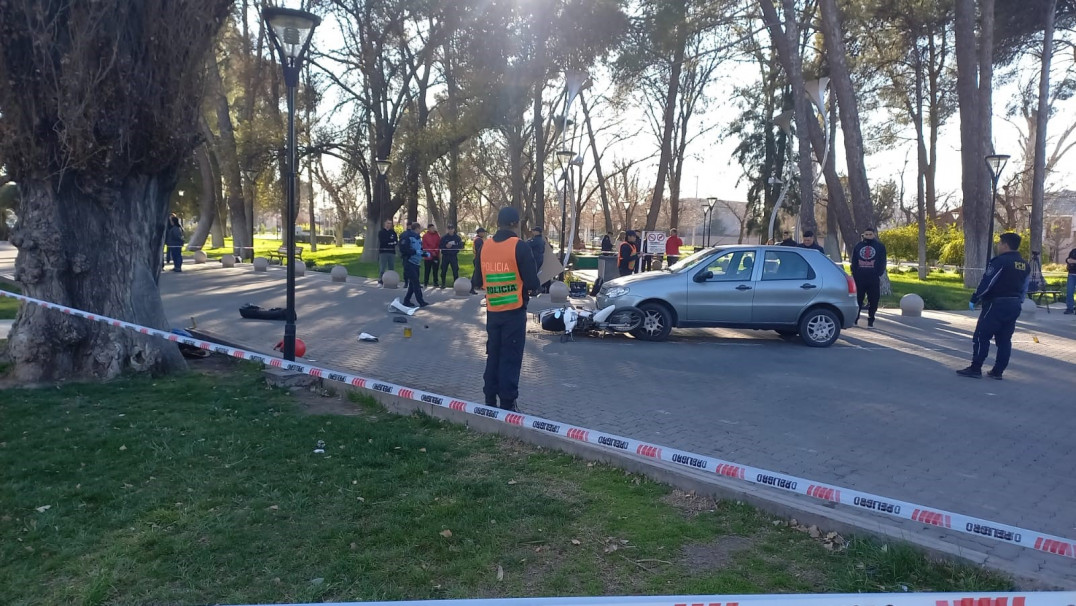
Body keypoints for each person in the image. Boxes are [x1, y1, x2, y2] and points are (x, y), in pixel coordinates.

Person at [471, 207, 540, 411]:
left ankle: (489, 399)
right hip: (514, 310)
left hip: (493, 311)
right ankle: (508, 403)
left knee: (493, 354)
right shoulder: (519, 246)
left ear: (498, 223)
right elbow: (532, 282)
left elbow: (476, 280)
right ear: (515, 224)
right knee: (510, 357)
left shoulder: (485, 246)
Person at [957, 232, 1030, 380]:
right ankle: (998, 371)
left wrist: (975, 298)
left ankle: (976, 368)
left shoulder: (1000, 261)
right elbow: (1025, 287)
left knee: (981, 336)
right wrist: (1019, 301)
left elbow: (988, 282)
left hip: (996, 304)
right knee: (1004, 339)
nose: (998, 246)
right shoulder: (1024, 264)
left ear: (1005, 245)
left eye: (999, 243)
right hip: (1014, 304)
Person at [851, 227, 887, 328]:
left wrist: (878, 273)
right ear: (863, 235)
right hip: (860, 278)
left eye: (870, 234)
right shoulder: (858, 246)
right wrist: (855, 273)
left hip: (873, 278)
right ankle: (855, 319)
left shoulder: (880, 246)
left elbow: (883, 262)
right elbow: (854, 260)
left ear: (874, 235)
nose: (868, 236)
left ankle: (871, 320)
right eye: (866, 234)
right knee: (858, 300)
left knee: (874, 300)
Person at [400, 222, 428, 308]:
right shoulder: (407, 237)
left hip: (416, 263)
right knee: (416, 282)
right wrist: (415, 252)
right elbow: (404, 249)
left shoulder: (418, 237)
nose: (420, 230)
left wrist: (423, 253)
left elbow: (419, 248)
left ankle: (406, 301)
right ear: (417, 229)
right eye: (420, 229)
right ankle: (421, 301)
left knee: (412, 284)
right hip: (409, 262)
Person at [377, 219, 398, 285]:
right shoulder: (381, 232)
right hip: (383, 252)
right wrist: (390, 242)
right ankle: (381, 279)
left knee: (391, 266)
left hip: (391, 252)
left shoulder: (393, 232)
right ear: (385, 224)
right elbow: (383, 241)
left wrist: (391, 242)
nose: (389, 225)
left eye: (390, 223)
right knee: (383, 267)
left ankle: (391, 279)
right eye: (388, 223)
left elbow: (396, 241)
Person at [469, 227, 487, 295]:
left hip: (477, 257)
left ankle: (478, 285)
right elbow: (480, 250)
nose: (484, 234)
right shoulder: (479, 240)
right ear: (479, 233)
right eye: (483, 232)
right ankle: (472, 287)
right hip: (478, 258)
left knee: (477, 273)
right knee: (476, 274)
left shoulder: (477, 239)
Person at [1065, 246, 1076, 314]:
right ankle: (1069, 308)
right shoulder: (1073, 251)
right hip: (1071, 274)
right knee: (1069, 292)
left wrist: (1074, 261)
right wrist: (1068, 260)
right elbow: (1068, 259)